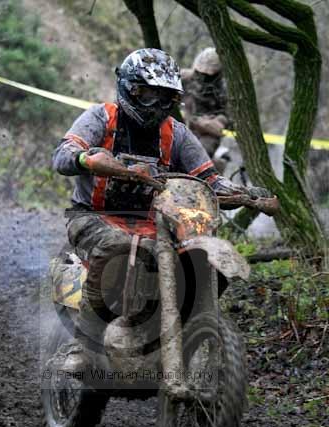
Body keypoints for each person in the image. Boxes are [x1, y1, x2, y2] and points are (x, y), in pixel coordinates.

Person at [52, 48, 270, 372]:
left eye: (165, 97)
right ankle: (83, 345)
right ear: (129, 88)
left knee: (203, 256)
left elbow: (209, 178)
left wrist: (247, 194)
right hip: (93, 216)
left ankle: (179, 332)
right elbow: (63, 154)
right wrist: (87, 159)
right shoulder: (101, 117)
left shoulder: (176, 133)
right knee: (116, 247)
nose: (155, 104)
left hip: (156, 224)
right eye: (147, 94)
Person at [181, 47, 229, 170]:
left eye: (209, 75)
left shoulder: (224, 89)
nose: (204, 78)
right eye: (201, 73)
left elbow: (229, 117)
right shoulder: (184, 78)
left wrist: (216, 122)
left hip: (207, 134)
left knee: (198, 157)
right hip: (182, 126)